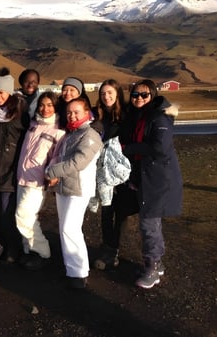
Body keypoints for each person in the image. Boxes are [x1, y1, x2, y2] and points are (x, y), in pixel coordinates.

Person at [121, 79, 182, 289]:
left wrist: (127, 148)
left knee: (149, 223)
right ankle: (157, 262)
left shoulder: (159, 117)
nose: (138, 98)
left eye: (144, 95)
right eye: (135, 94)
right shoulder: (139, 116)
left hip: (157, 179)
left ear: (153, 96)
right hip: (144, 177)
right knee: (150, 222)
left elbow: (159, 148)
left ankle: (152, 267)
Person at [45, 97, 102, 289]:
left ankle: (79, 273)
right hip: (65, 187)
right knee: (65, 228)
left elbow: (78, 163)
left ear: (87, 113)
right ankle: (72, 269)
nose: (72, 115)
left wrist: (51, 172)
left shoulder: (90, 135)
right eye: (69, 112)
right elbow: (60, 157)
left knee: (70, 229)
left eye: (76, 111)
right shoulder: (71, 134)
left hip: (79, 189)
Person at [0, 67, 29, 262]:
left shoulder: (20, 115)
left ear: (9, 93)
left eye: (2, 92)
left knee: (7, 212)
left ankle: (12, 248)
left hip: (9, 172)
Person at [15, 92, 65, 271]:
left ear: (56, 107)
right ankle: (28, 250)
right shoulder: (33, 125)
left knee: (23, 216)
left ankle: (43, 251)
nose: (45, 109)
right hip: (22, 176)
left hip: (37, 181)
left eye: (50, 105)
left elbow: (57, 156)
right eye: (42, 105)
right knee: (28, 217)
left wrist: (51, 173)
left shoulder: (58, 131)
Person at [92, 79, 134, 271]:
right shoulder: (98, 116)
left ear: (117, 94)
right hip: (103, 172)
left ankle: (113, 249)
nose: (106, 96)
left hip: (123, 171)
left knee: (121, 212)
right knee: (106, 211)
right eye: (103, 93)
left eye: (110, 93)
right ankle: (107, 248)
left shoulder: (127, 114)